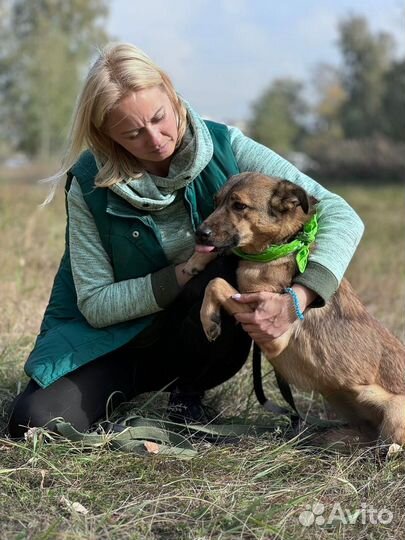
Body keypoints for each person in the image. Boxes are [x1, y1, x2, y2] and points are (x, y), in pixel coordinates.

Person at [7, 42, 364, 438]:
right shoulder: (90, 183)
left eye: (160, 118)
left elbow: (338, 212)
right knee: (35, 422)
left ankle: (186, 392)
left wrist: (299, 297)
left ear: (171, 93)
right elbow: (94, 304)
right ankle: (126, 389)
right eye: (132, 132)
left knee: (228, 263)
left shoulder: (227, 145)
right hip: (113, 343)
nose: (156, 139)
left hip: (203, 342)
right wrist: (183, 272)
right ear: (106, 135)